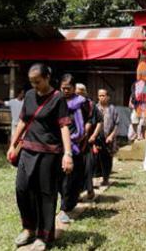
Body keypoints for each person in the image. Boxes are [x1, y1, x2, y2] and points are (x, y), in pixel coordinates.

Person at [8, 63, 73, 250]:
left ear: (47, 78)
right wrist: (13, 144)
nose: (34, 85)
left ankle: (44, 236)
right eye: (31, 82)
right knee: (22, 189)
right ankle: (28, 228)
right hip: (27, 151)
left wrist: (67, 154)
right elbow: (22, 121)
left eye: (37, 81)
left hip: (49, 154)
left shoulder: (58, 98)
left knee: (46, 195)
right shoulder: (29, 95)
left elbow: (64, 126)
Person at [56, 74, 93, 224]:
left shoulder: (83, 103)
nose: (65, 91)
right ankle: (65, 203)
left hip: (77, 145)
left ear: (74, 88)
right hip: (59, 145)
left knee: (71, 179)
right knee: (60, 178)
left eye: (68, 88)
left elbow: (90, 118)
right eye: (63, 88)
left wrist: (84, 134)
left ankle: (65, 208)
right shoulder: (56, 101)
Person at [76, 83, 100, 200]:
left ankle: (89, 189)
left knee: (88, 167)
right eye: (77, 92)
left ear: (85, 93)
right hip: (74, 143)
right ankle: (77, 193)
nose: (79, 94)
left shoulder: (91, 105)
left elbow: (98, 121)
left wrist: (93, 135)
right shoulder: (70, 105)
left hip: (87, 142)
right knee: (76, 169)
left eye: (81, 92)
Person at [94, 89, 119, 186]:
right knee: (96, 159)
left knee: (107, 159)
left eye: (103, 95)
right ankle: (96, 178)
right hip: (97, 138)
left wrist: (111, 136)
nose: (101, 97)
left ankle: (106, 178)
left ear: (108, 97)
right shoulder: (95, 108)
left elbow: (117, 124)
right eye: (100, 95)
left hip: (109, 139)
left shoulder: (112, 109)